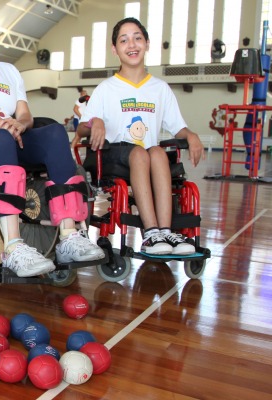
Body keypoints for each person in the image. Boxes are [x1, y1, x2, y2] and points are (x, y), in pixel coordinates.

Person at [0, 0, 104, 278]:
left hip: (11, 135)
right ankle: (12, 246)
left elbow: (25, 114)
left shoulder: (9, 71)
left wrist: (19, 125)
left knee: (55, 133)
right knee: (1, 138)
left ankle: (69, 235)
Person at [77, 17, 205, 256]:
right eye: (123, 40)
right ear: (115, 49)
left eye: (137, 38)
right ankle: (151, 233)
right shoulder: (106, 88)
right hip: (115, 158)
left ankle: (165, 231)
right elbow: (83, 129)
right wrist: (97, 121)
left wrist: (192, 135)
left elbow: (179, 128)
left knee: (156, 151)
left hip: (147, 158)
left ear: (146, 43)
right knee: (139, 153)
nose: (131, 44)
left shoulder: (160, 89)